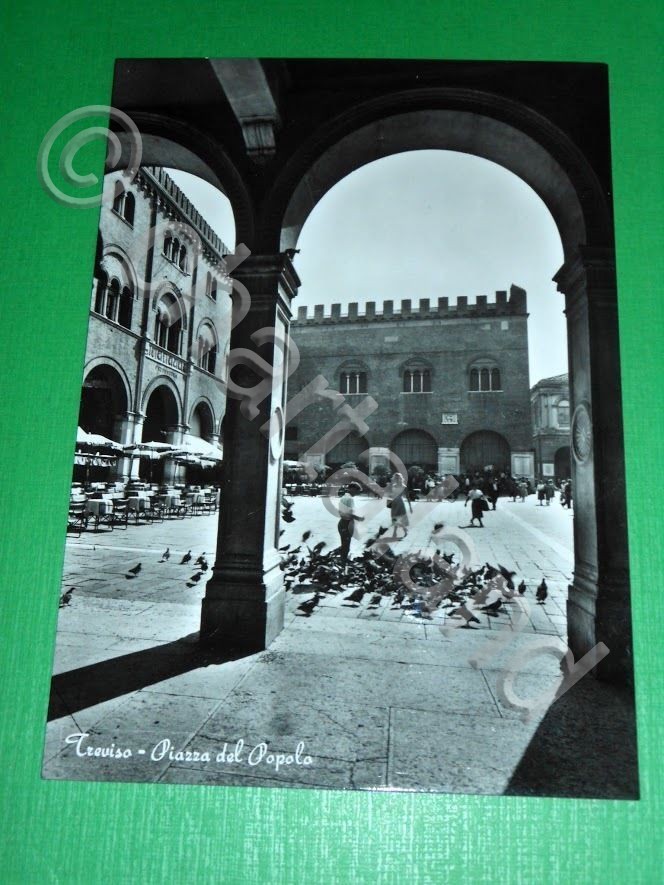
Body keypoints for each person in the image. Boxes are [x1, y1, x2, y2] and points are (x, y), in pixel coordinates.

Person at [337, 482, 364, 565]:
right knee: (346, 544)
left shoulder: (344, 497)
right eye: (356, 491)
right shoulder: (350, 499)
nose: (356, 493)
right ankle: (343, 561)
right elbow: (349, 513)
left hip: (341, 522)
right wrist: (359, 518)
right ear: (352, 489)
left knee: (344, 542)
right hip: (346, 522)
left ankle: (342, 559)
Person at [387, 472, 412, 538]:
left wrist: (410, 507)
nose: (397, 479)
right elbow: (390, 494)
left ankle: (402, 531)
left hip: (400, 503)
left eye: (398, 478)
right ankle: (396, 532)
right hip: (394, 503)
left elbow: (408, 497)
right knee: (394, 518)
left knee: (401, 518)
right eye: (396, 478)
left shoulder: (404, 487)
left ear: (401, 479)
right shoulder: (393, 486)